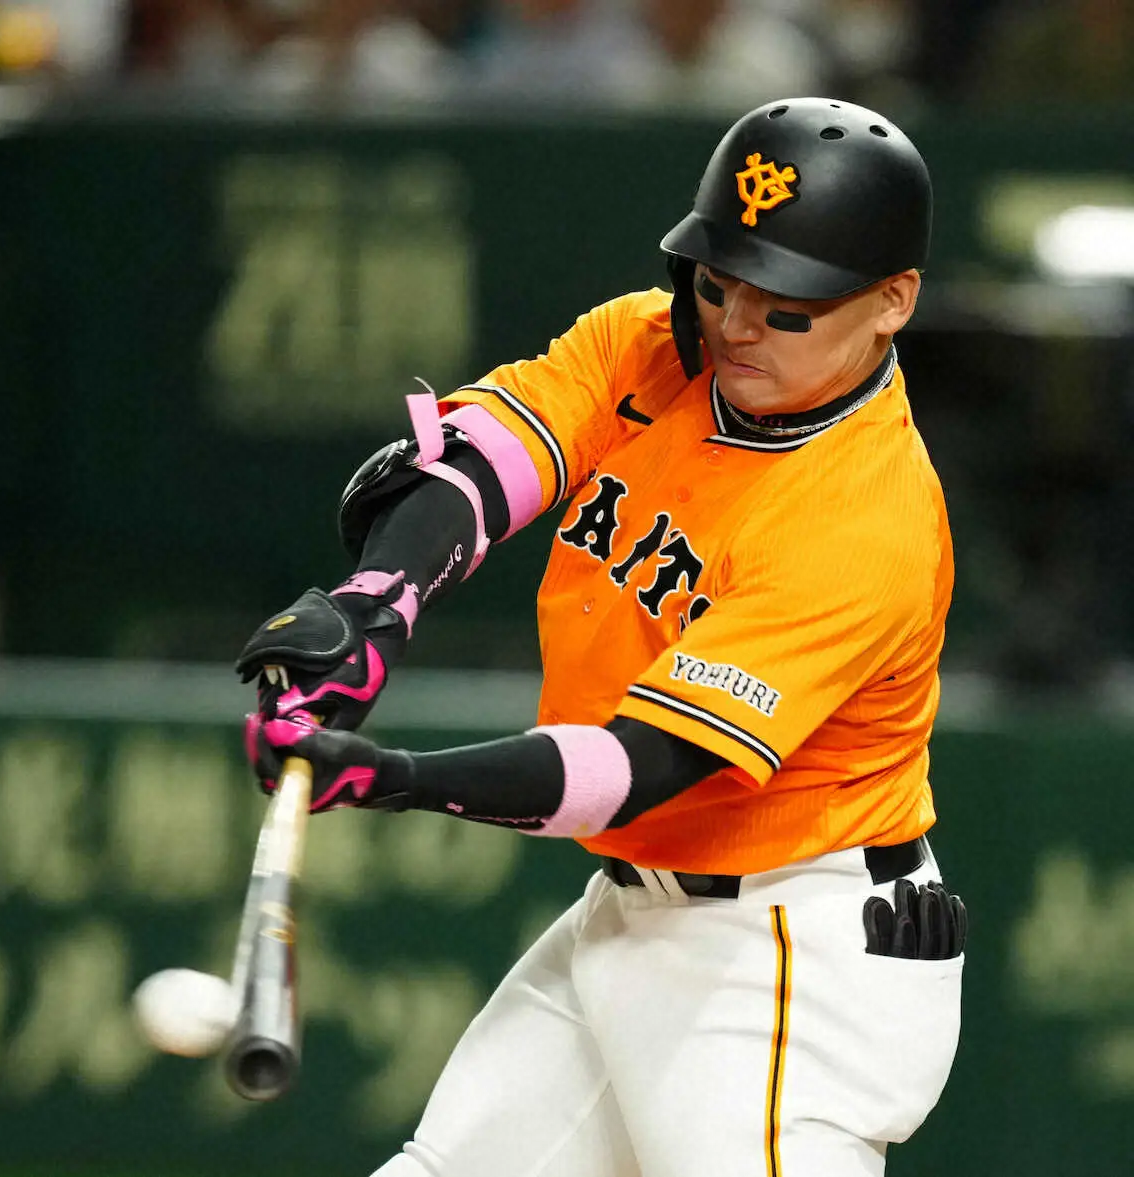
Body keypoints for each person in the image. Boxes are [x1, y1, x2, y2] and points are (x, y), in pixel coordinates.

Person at [236, 96, 968, 1177]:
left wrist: (394, 776)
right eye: (719, 282)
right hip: (635, 912)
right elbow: (480, 463)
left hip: (785, 957)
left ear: (892, 301)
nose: (737, 324)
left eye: (789, 306)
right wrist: (373, 607)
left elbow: (633, 770)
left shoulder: (869, 520)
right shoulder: (652, 344)